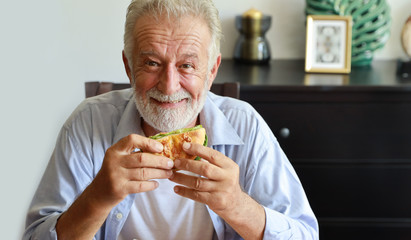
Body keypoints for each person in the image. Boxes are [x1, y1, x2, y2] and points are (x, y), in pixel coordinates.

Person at [24, 0, 318, 239]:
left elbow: (306, 234)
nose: (169, 85)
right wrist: (97, 198)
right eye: (152, 63)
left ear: (212, 70)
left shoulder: (246, 126)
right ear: (128, 66)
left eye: (187, 65)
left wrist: (237, 205)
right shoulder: (87, 124)